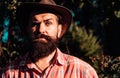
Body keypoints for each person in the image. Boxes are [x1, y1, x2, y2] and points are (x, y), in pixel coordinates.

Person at [1, 0, 98, 78]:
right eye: (35, 24)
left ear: (59, 30)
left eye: (48, 23)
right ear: (27, 29)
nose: (41, 30)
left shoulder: (82, 72)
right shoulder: (9, 73)